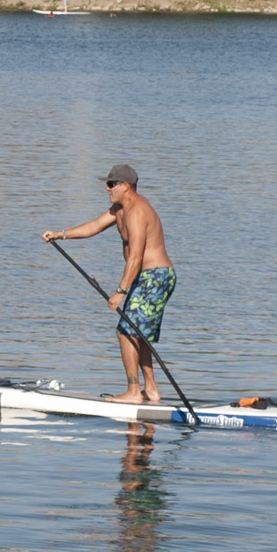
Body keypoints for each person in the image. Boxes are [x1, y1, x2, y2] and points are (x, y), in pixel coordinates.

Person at [44, 163, 175, 410]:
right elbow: (94, 226)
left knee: (126, 332)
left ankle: (134, 392)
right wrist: (60, 234)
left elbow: (136, 256)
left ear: (125, 186)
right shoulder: (120, 209)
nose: (107, 188)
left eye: (111, 184)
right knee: (137, 331)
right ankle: (151, 390)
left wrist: (120, 291)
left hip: (155, 277)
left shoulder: (137, 211)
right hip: (145, 277)